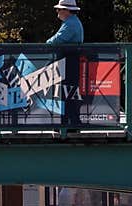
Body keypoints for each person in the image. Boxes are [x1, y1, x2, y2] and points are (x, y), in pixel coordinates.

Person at [47, 1, 84, 129]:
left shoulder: (71, 23)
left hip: (69, 61)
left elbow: (57, 40)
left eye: (59, 9)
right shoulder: (71, 22)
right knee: (69, 92)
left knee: (67, 92)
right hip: (69, 61)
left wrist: (47, 43)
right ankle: (70, 123)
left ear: (67, 10)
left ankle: (68, 124)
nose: (57, 12)